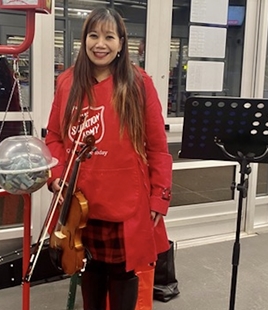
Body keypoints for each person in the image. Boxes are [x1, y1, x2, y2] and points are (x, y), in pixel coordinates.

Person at [45, 7, 172, 310]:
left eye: (109, 37)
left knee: (123, 273)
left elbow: (157, 147)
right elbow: (53, 137)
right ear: (84, 40)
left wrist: (159, 197)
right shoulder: (66, 82)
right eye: (93, 35)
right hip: (79, 202)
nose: (100, 44)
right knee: (87, 268)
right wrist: (57, 175)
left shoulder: (139, 83)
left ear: (121, 43)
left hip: (126, 201)